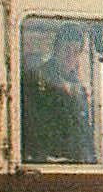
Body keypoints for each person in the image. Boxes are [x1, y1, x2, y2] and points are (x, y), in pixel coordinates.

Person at [23, 23, 94, 162]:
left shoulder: (79, 89)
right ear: (56, 49)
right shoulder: (35, 81)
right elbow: (30, 125)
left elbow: (84, 130)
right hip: (46, 164)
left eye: (75, 51)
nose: (70, 56)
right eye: (66, 49)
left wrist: (91, 158)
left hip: (76, 163)